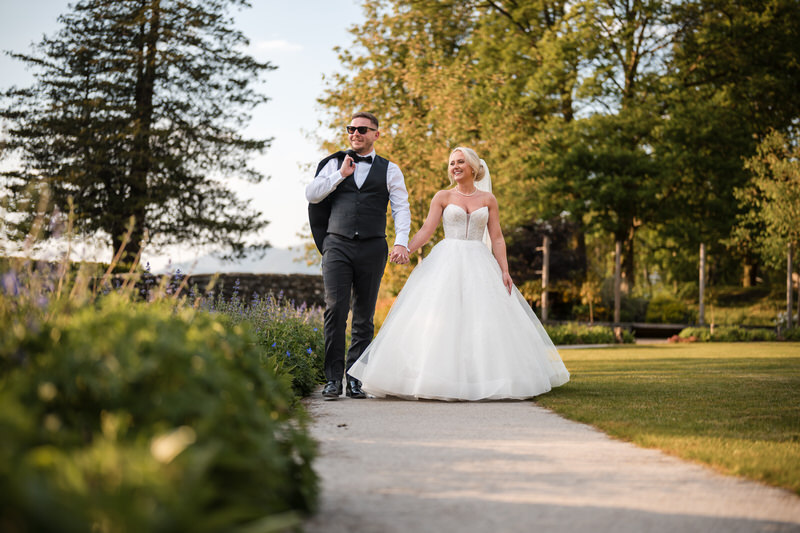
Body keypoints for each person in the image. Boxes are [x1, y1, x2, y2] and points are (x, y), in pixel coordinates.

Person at [348, 147, 569, 400]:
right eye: (452, 162)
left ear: (473, 168)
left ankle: (480, 378)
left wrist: (505, 270)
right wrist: (405, 248)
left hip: (480, 262)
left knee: (482, 320)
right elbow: (426, 230)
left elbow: (497, 238)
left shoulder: (488, 200)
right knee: (442, 318)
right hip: (446, 262)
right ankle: (435, 377)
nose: (455, 166)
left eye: (461, 162)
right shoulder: (442, 196)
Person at [306, 111, 411, 400]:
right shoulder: (332, 163)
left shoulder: (391, 170)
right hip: (337, 245)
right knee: (335, 310)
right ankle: (332, 380)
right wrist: (341, 175)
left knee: (364, 316)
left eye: (363, 129)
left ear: (376, 134)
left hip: (373, 246)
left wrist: (401, 243)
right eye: (352, 128)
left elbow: (402, 208)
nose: (356, 133)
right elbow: (312, 194)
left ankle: (355, 378)